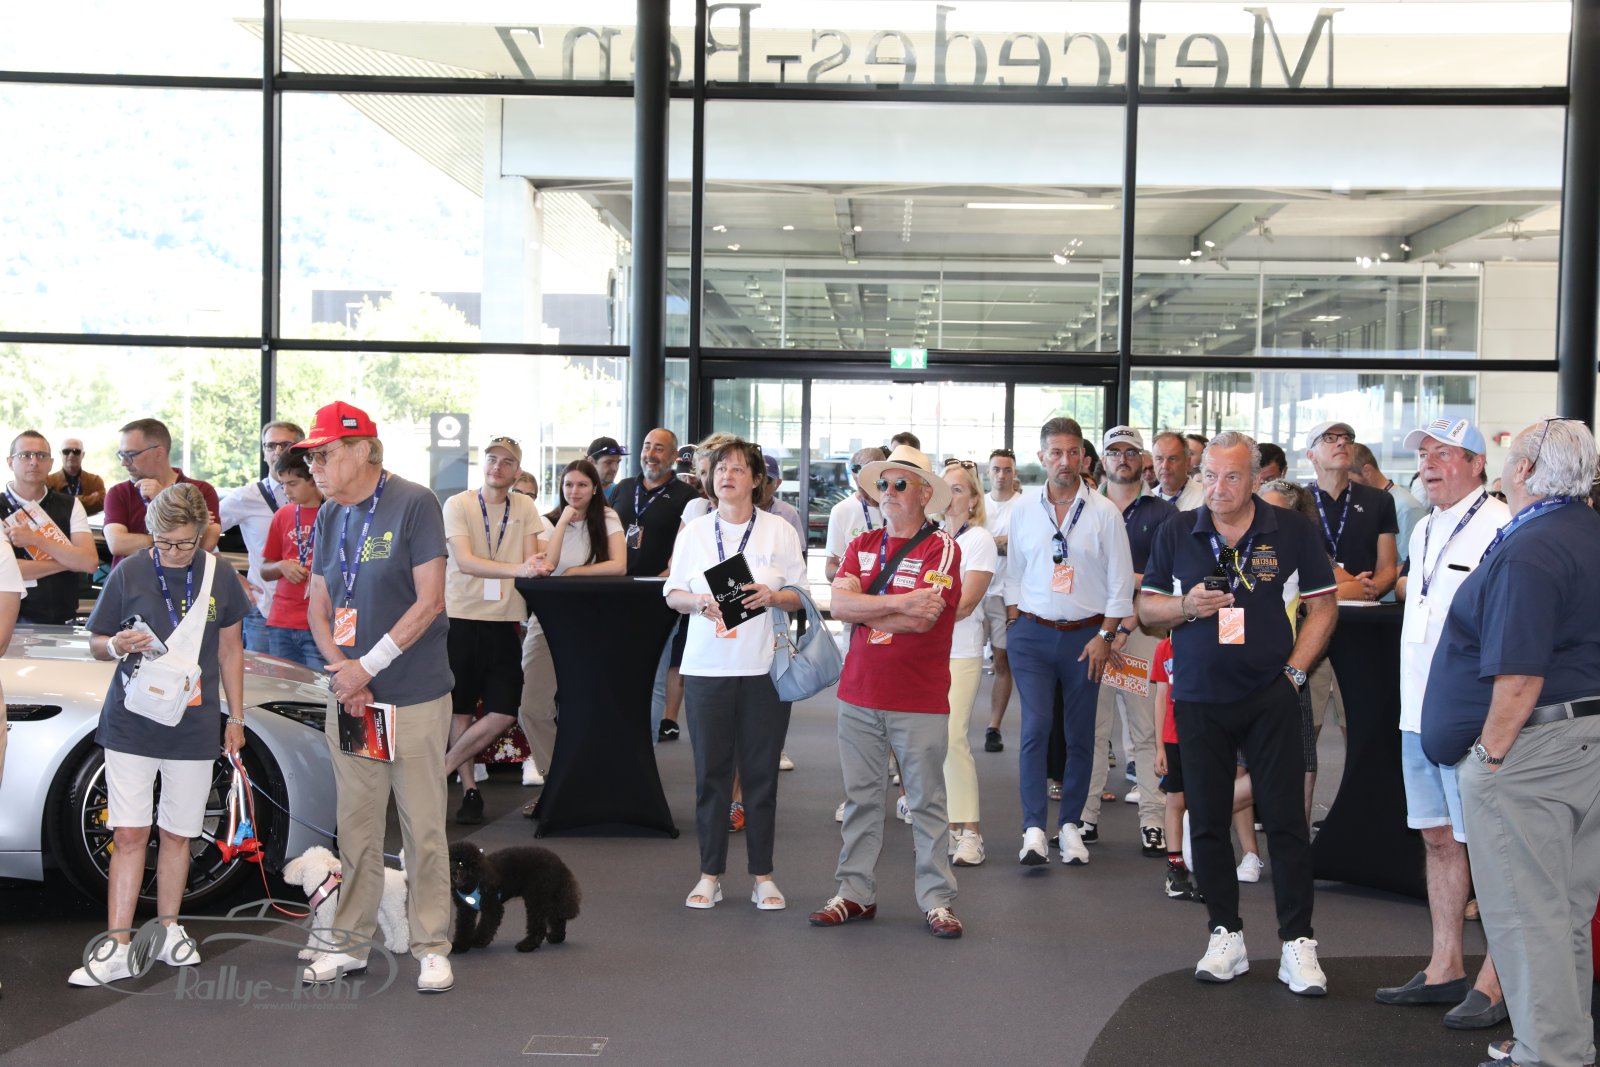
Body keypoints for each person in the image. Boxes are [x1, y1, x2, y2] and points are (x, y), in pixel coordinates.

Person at [1422, 417, 1600, 1067]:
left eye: (1508, 456)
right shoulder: (1583, 530)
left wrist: (1490, 758)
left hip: (1535, 750)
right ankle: (1562, 1046)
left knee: (1528, 914)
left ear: (1524, 470)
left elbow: (1520, 674)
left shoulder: (1533, 545)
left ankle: (1548, 1053)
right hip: (1581, 742)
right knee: (1563, 911)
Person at [1139, 431, 1337, 995]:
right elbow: (1147, 609)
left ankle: (1298, 942)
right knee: (1205, 819)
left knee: (1286, 820)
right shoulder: (1177, 529)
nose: (1219, 487)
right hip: (1199, 695)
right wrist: (1185, 605)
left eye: (1232, 476)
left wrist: (1294, 676)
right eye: (1210, 476)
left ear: (1254, 479)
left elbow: (1324, 608)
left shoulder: (1291, 530)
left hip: (1272, 695)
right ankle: (1224, 933)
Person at [295, 401, 456, 994]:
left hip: (411, 695)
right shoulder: (329, 514)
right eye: (311, 457)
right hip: (353, 698)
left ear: (363, 449)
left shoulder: (415, 503)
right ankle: (349, 943)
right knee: (357, 829)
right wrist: (346, 672)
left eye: (324, 454)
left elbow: (430, 601)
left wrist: (368, 666)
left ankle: (432, 945)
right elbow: (319, 607)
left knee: (423, 829)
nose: (314, 466)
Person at [67, 483, 249, 987]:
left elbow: (230, 651)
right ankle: (118, 944)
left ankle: (169, 930)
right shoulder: (130, 571)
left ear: (203, 534)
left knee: (179, 832)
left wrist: (236, 719)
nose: (173, 552)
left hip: (194, 724)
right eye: (164, 542)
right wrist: (116, 645)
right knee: (128, 832)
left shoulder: (220, 575)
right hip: (132, 721)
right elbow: (96, 642)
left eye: (184, 543)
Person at [1373, 418, 1509, 1029]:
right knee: (1436, 836)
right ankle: (1444, 966)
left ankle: (1497, 980)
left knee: (1492, 847)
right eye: (1424, 454)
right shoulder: (1426, 526)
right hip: (1418, 713)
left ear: (1478, 464)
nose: (1428, 464)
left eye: (1444, 453)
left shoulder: (1502, 525)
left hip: (1473, 717)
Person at [809, 443, 964, 939]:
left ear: (924, 494)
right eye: (883, 484)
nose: (889, 492)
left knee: (925, 802)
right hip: (858, 693)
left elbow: (925, 619)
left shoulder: (942, 547)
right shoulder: (861, 542)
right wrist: (897, 603)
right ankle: (854, 893)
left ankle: (937, 900)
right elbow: (839, 606)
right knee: (860, 800)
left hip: (918, 696)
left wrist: (866, 606)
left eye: (900, 484)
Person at [664, 439, 806, 911]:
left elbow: (800, 593)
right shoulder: (695, 532)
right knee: (712, 775)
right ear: (710, 478)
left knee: (761, 775)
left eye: (738, 469)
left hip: (765, 668)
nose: (727, 476)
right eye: (720, 468)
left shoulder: (779, 530)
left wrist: (773, 596)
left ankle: (764, 876)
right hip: (707, 668)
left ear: (756, 479)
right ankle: (710, 874)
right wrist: (699, 602)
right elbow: (672, 593)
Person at [1003, 417, 1136, 867]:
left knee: (1082, 735)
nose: (1065, 461)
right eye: (1056, 452)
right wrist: (1015, 624)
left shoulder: (1104, 513)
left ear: (1084, 457)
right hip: (1032, 636)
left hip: (1087, 639)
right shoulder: (1024, 509)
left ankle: (1071, 825)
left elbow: (1120, 584)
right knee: (1036, 729)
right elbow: (1014, 573)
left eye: (1073, 452)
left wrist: (1106, 636)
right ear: (1041, 457)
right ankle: (1033, 829)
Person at [441, 437, 547, 825]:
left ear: (517, 471)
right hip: (461, 617)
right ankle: (470, 789)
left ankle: (440, 769)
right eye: (491, 459)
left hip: (505, 621)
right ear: (482, 464)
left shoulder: (525, 506)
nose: (497, 467)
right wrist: (519, 569)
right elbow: (465, 561)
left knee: (503, 711)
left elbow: (534, 558)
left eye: (506, 462)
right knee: (461, 710)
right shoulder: (458, 504)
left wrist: (533, 564)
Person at [1085, 426, 1177, 856]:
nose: (1122, 458)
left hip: (1140, 634)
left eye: (1131, 452)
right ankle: (1084, 818)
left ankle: (1153, 821)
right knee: (1091, 731)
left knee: (1146, 730)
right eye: (1114, 451)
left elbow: (1163, 581)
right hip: (1091, 634)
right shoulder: (1084, 508)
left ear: (1143, 460)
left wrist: (1123, 626)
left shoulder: (1163, 514)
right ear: (1102, 460)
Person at [516, 458, 625, 808]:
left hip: (592, 619)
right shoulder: (548, 521)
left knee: (587, 706)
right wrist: (563, 520)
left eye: (581, 485)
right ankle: (555, 782)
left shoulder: (607, 517)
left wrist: (576, 572)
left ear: (594, 488)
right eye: (568, 485)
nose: (574, 491)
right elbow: (546, 565)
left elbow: (619, 566)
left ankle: (588, 783)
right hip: (547, 619)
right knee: (532, 706)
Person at [610, 428, 698, 744]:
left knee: (654, 678)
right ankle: (617, 745)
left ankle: (641, 752)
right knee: (617, 676)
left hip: (659, 599)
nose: (650, 454)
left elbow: (686, 553)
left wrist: (663, 580)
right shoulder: (622, 489)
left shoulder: (687, 497)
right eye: (647, 446)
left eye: (659, 448)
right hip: (617, 597)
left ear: (674, 456)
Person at [939, 459, 997, 867]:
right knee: (928, 742)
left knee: (952, 736)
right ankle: (949, 825)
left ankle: (971, 832)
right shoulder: (929, 537)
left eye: (958, 488)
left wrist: (916, 614)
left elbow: (965, 603)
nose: (950, 495)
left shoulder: (978, 540)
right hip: (924, 652)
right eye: (945, 488)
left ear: (974, 499)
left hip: (960, 651)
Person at [219, 421, 305, 652]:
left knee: (310, 676)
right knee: (266, 675)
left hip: (309, 613)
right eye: (270, 446)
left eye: (285, 445)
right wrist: (233, 577)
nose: (277, 451)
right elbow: (198, 533)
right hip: (264, 610)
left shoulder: (321, 493)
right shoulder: (245, 497)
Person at [4, 431, 98, 623]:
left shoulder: (70, 504)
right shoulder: (1, 505)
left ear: (51, 463)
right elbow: (8, 569)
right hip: (8, 623)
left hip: (63, 621)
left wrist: (35, 539)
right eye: (25, 455)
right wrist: (70, 561)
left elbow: (89, 562)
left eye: (41, 456)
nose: (34, 462)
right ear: (10, 462)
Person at [103, 419, 221, 568]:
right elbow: (117, 544)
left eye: (131, 454)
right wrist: (181, 539)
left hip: (186, 580)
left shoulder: (202, 490)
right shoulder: (119, 493)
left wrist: (165, 498)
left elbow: (207, 542)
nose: (124, 463)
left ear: (159, 453)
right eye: (121, 455)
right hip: (132, 581)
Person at [259, 448, 327, 670]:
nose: (286, 491)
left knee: (318, 686)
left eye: (293, 483)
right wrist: (281, 566)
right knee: (282, 685)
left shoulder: (333, 513)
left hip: (319, 622)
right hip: (281, 621)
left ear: (313, 478)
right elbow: (264, 570)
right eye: (282, 484)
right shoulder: (283, 515)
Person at [981, 447, 1022, 753]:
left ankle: (994, 726)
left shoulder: (1023, 506)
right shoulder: (977, 504)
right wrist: (1000, 543)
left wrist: (987, 543)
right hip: (975, 591)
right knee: (961, 658)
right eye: (996, 469)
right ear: (988, 472)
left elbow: (1022, 547)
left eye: (1007, 470)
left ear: (1014, 473)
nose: (1002, 475)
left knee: (1002, 660)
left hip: (1006, 595)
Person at [1349, 442, 1428, 564]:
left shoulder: (1406, 508)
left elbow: (1410, 565)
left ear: (1366, 471)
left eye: (1350, 481)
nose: (1347, 487)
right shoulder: (1368, 503)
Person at [823, 447, 886, 581]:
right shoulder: (841, 510)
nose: (868, 495)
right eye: (861, 488)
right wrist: (858, 575)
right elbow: (830, 568)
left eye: (872, 485)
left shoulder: (895, 507)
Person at [46, 437, 105, 515]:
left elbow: (102, 503)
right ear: (60, 454)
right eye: (66, 451)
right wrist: (89, 499)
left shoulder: (95, 481)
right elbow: (48, 507)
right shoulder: (48, 481)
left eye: (76, 451)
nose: (71, 455)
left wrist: (62, 501)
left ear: (83, 454)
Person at [1151, 431, 1205, 511]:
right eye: (1159, 459)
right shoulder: (1146, 500)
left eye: (1172, 459)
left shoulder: (1204, 498)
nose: (1165, 466)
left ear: (1187, 462)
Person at [587, 436, 627, 502]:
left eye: (618, 462)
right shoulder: (576, 493)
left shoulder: (622, 494)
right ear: (591, 462)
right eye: (608, 462)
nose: (615, 468)